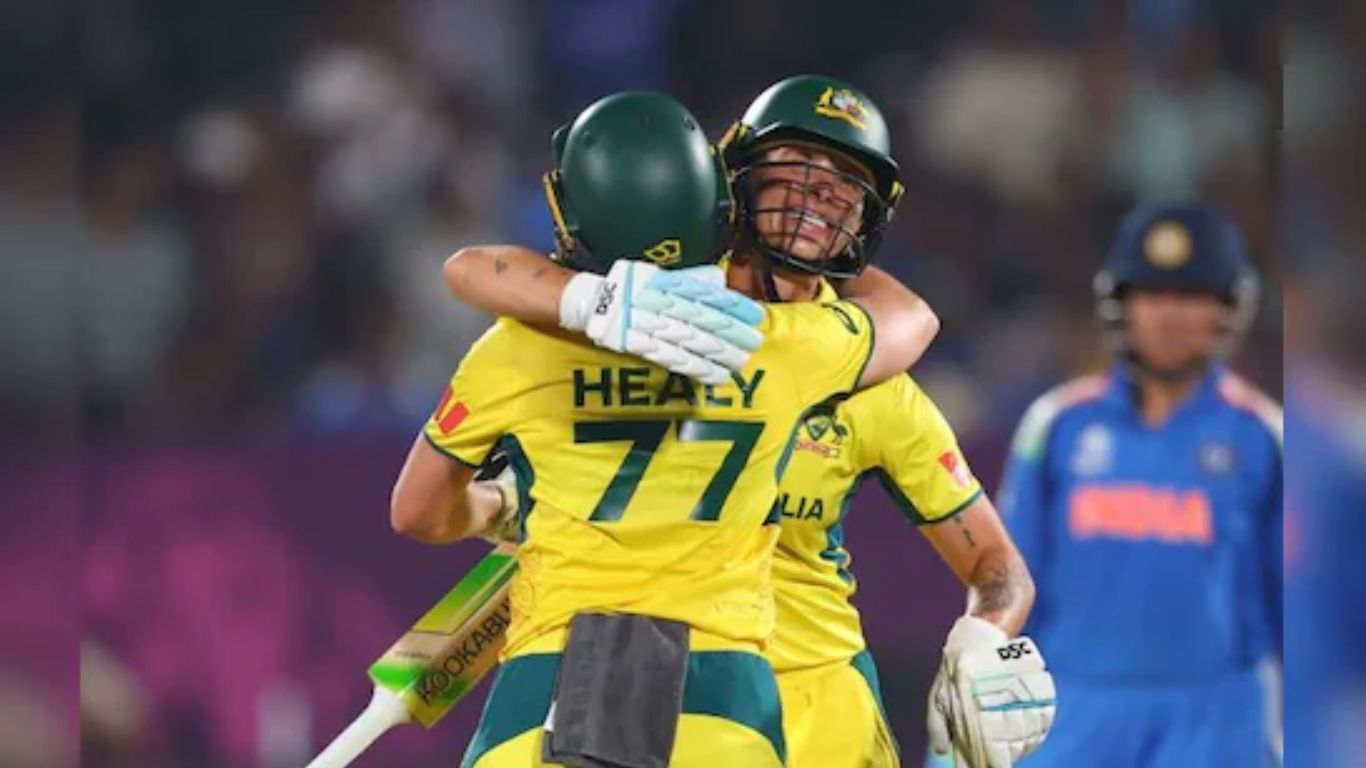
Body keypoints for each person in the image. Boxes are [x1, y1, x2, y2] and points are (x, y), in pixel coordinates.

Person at [445, 76, 1056, 768]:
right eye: (796, 168)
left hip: (816, 702)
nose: (817, 197)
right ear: (733, 177)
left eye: (844, 186)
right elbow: (481, 270)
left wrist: (984, 635)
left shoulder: (870, 379)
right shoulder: (649, 308)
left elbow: (999, 567)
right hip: (659, 686)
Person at [998, 202, 1282, 767]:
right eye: (1151, 294)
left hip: (1217, 719)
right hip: (1071, 708)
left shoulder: (1263, 436)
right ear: (1121, 305)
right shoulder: (1057, 426)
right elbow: (1007, 584)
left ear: (1228, 308)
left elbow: (1296, 607)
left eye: (1192, 295)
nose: (1169, 315)